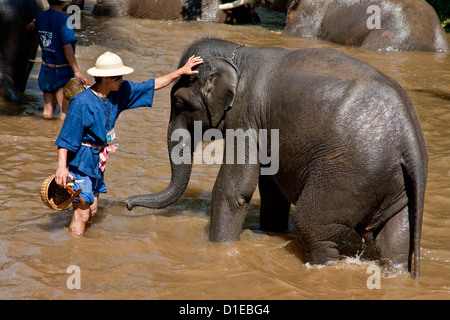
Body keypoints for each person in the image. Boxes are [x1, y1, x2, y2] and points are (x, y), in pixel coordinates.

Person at [54, 51, 203, 236]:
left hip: (98, 159)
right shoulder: (81, 103)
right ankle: (73, 256)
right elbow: (66, 138)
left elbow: (152, 85)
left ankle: (82, 250)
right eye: (119, 77)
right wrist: (61, 168)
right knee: (82, 215)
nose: (123, 80)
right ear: (106, 78)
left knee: (92, 211)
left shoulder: (119, 93)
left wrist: (180, 71)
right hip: (81, 161)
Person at [30, 0, 87, 120]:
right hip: (61, 72)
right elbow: (67, 47)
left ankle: (46, 135)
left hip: (46, 70)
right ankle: (58, 137)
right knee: (65, 111)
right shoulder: (65, 20)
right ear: (64, 2)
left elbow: (31, 27)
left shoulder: (40, 17)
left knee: (47, 110)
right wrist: (76, 71)